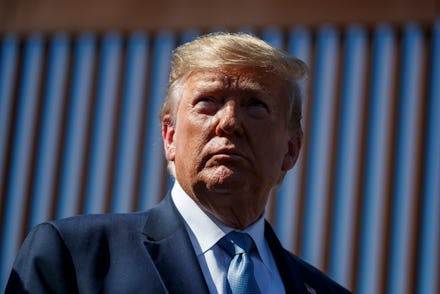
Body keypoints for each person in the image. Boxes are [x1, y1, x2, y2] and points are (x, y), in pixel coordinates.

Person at [6, 32, 350, 293]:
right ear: (170, 137)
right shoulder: (75, 257)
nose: (228, 122)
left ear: (291, 149)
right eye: (207, 102)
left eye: (255, 104)